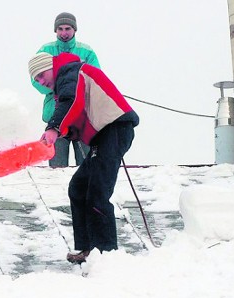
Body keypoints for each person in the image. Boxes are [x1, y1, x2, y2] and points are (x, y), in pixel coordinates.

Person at [28, 52, 139, 264]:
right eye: (37, 80)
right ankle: (88, 248)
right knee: (78, 187)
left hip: (114, 129)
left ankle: (106, 254)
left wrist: (53, 128)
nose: (41, 82)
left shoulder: (70, 71)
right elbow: (77, 118)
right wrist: (62, 132)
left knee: (97, 191)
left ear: (51, 66)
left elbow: (71, 101)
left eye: (41, 75)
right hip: (103, 135)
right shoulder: (67, 82)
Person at [31, 12, 100, 167]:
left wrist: (74, 90)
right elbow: (35, 78)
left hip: (82, 116)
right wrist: (57, 89)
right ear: (55, 30)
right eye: (60, 29)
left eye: (67, 28)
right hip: (55, 115)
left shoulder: (87, 52)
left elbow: (95, 77)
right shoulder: (46, 50)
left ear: (74, 29)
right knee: (56, 167)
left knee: (86, 165)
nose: (64, 33)